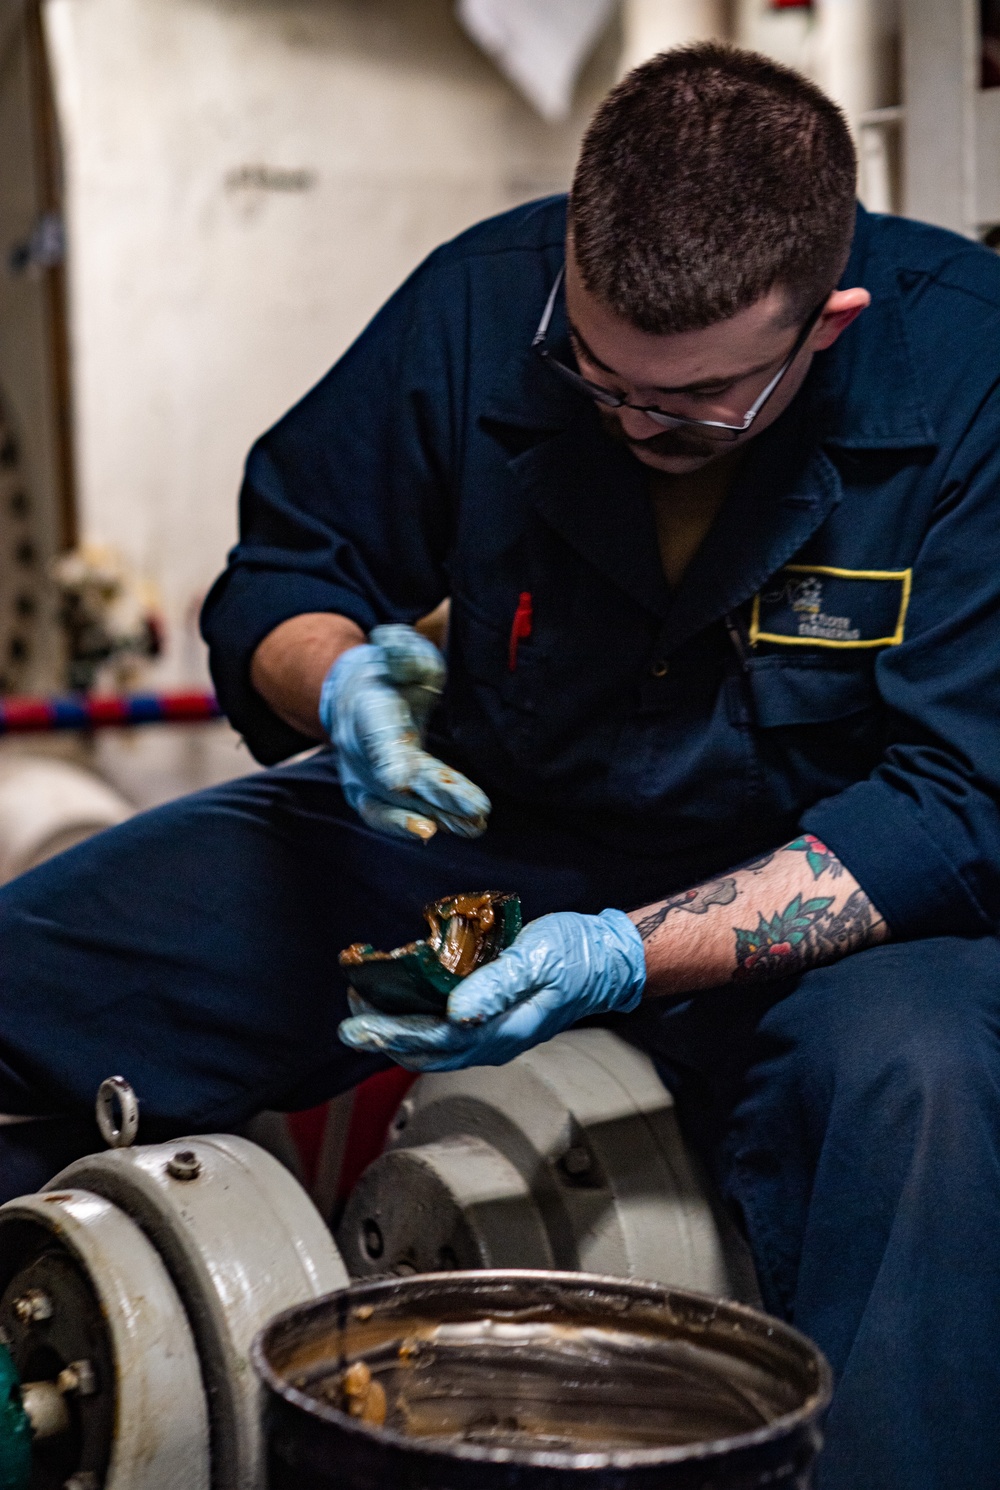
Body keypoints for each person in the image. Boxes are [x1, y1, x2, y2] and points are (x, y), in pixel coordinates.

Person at [1, 42, 998, 1487]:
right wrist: (338, 678)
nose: (637, 425)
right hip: (488, 866)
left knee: (934, 1088)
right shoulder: (485, 299)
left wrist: (624, 957)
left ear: (826, 324)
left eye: (697, 403)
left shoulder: (971, 375)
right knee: (45, 971)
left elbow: (956, 808)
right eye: (597, 378)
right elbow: (287, 567)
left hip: (829, 920)